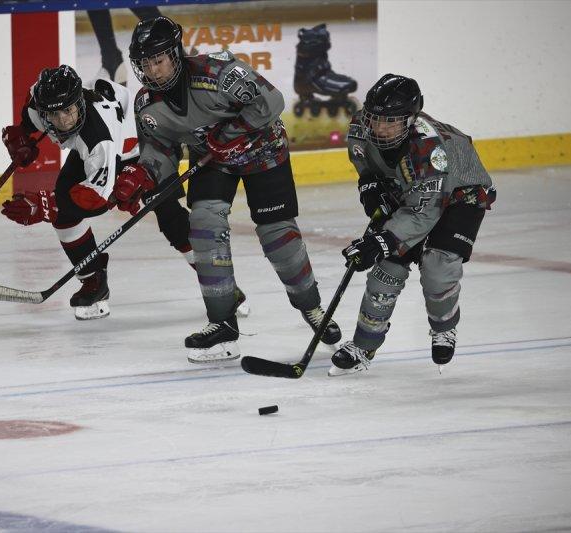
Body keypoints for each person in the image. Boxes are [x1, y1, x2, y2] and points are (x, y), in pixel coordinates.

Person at [111, 16, 341, 364]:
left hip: (263, 149)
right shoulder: (148, 106)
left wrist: (234, 130)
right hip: (212, 160)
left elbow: (271, 101)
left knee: (277, 235)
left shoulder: (218, 73)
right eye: (145, 64)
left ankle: (312, 309)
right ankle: (222, 324)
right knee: (203, 225)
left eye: (158, 60)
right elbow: (161, 150)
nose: (153, 71)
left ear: (175, 54)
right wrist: (142, 175)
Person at [0, 65, 248, 320]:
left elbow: (98, 198)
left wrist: (45, 206)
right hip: (97, 149)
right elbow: (29, 117)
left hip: (145, 144)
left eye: (68, 110)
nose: (64, 120)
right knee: (64, 214)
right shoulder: (41, 102)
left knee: (171, 219)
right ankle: (94, 282)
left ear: (79, 103)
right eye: (54, 114)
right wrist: (21, 136)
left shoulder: (99, 138)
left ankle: (222, 287)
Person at [329, 74, 496, 376]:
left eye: (390, 122)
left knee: (437, 265)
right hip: (413, 190)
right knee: (387, 270)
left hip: (461, 194)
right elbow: (364, 160)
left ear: (410, 119)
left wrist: (381, 242)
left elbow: (423, 214)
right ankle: (364, 345)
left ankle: (444, 327)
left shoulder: (432, 152)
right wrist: (370, 184)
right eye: (375, 118)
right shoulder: (360, 126)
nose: (380, 128)